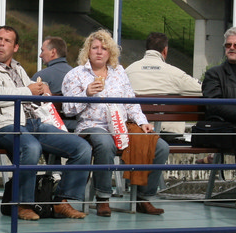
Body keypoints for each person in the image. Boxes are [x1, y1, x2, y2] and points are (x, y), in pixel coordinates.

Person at [0, 26, 90, 221]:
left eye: (7, 41)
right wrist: (29, 91)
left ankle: (61, 201)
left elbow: (31, 93)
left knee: (82, 148)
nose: (1, 44)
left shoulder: (17, 68)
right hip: (3, 125)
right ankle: (22, 204)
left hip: (32, 122)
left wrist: (42, 90)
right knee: (31, 147)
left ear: (15, 47)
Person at [62, 30, 169, 217]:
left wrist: (142, 122)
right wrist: (86, 94)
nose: (99, 52)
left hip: (121, 126)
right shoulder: (75, 74)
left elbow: (130, 102)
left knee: (160, 147)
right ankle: (103, 197)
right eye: (95, 48)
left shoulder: (119, 72)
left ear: (110, 52)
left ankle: (144, 197)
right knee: (104, 143)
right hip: (92, 125)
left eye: (104, 48)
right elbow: (68, 109)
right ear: (87, 51)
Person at [125, 32, 202, 97]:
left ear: (146, 49)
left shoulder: (128, 71)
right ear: (165, 50)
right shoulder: (175, 73)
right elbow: (202, 89)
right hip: (161, 110)